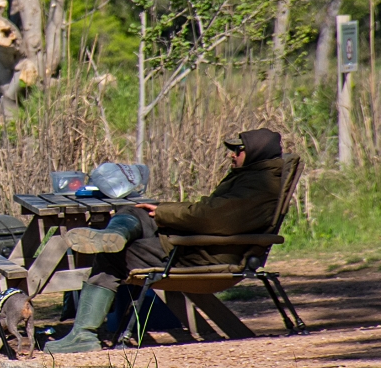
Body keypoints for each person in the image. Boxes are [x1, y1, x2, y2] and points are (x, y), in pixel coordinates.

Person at [44, 128, 285, 354]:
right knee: (136, 210)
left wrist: (164, 213)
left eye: (238, 151)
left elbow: (212, 217)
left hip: (202, 254)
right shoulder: (253, 177)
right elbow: (213, 212)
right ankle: (115, 235)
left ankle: (83, 335)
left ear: (255, 153)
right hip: (204, 245)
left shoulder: (258, 185)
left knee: (112, 256)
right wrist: (160, 210)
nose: (231, 155)